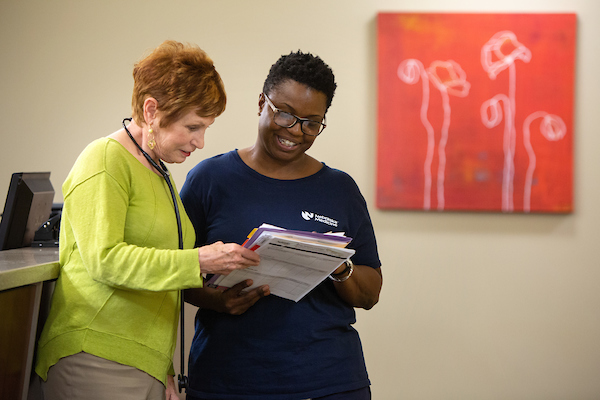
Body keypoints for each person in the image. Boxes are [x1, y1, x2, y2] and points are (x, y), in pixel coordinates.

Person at [34, 40, 260, 400]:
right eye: (192, 127)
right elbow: (105, 261)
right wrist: (199, 260)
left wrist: (163, 368)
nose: (200, 142)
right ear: (151, 109)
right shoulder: (105, 160)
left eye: (205, 128)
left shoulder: (157, 171)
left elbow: (157, 283)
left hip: (143, 363)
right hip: (96, 355)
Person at [180, 51, 382, 400]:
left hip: (328, 381)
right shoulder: (209, 180)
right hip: (227, 380)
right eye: (285, 114)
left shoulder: (340, 189)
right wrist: (218, 301)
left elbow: (370, 294)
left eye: (311, 122)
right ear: (262, 103)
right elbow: (172, 276)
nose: (296, 131)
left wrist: (338, 267)